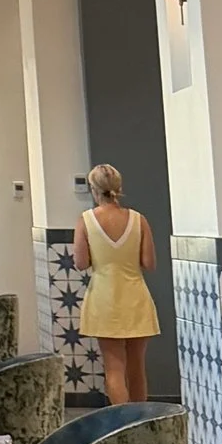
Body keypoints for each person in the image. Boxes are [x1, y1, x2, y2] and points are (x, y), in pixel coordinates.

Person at [75, 161, 158, 403]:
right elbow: (149, 263)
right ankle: (140, 419)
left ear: (93, 189)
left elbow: (81, 262)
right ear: (118, 187)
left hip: (104, 299)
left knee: (114, 369)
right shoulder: (139, 220)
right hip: (136, 297)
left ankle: (121, 422)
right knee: (137, 368)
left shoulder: (86, 220)